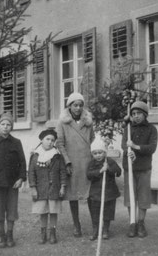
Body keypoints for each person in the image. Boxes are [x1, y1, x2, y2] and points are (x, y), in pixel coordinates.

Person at [0, 113, 27, 248]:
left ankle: (10, 235)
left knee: (12, 210)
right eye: (3, 124)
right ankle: (1, 236)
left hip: (13, 183)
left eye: (8, 125)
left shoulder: (16, 143)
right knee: (0, 210)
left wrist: (21, 178)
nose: (5, 127)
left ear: (11, 127)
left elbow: (22, 162)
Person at [56, 92, 95, 237]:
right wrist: (66, 161)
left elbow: (93, 140)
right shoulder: (63, 122)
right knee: (73, 195)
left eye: (80, 105)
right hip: (72, 162)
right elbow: (59, 143)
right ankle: (76, 225)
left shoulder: (88, 122)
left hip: (87, 162)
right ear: (69, 106)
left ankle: (95, 225)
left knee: (90, 194)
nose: (78, 108)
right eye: (75, 105)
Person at [121, 100, 158, 238]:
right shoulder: (128, 128)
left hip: (144, 168)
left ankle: (141, 223)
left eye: (139, 114)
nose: (136, 116)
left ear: (145, 115)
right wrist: (128, 151)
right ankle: (132, 223)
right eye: (133, 114)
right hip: (129, 168)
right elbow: (124, 145)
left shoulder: (152, 129)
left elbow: (152, 148)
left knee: (143, 197)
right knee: (130, 197)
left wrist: (135, 147)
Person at [28, 129, 67, 244]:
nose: (50, 142)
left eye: (52, 140)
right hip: (40, 189)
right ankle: (43, 234)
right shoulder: (35, 156)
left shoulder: (57, 156)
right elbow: (31, 173)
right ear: (41, 140)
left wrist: (63, 186)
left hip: (54, 188)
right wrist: (33, 188)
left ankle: (52, 233)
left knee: (53, 211)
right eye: (47, 139)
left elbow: (62, 172)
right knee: (43, 212)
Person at [86, 137, 121, 241]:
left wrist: (109, 168)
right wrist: (100, 171)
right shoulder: (92, 163)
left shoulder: (110, 161)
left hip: (109, 192)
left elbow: (118, 172)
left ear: (104, 152)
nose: (98, 155)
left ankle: (106, 230)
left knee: (107, 212)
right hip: (96, 193)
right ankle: (95, 230)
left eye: (100, 152)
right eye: (95, 153)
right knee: (95, 212)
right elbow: (88, 175)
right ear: (92, 154)